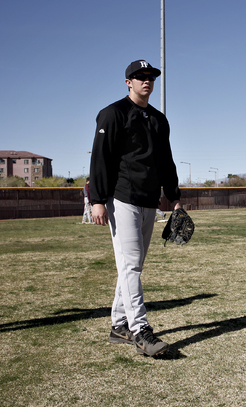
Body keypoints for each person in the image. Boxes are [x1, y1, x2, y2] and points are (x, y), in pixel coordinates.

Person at [90, 59, 182, 357]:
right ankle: (141, 331)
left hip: (148, 200)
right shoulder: (113, 114)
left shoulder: (158, 119)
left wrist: (174, 196)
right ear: (128, 82)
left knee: (133, 266)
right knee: (130, 265)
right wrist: (97, 200)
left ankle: (119, 325)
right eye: (140, 77)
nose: (147, 81)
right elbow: (100, 159)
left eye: (151, 76)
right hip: (121, 198)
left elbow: (166, 161)